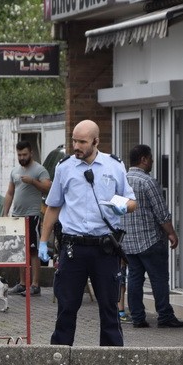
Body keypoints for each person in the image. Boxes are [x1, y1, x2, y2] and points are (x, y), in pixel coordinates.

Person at [38, 120, 137, 346]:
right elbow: (53, 206)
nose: (76, 146)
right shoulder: (64, 168)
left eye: (82, 141)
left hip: (104, 248)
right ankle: (60, 358)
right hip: (74, 248)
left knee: (109, 308)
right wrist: (43, 241)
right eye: (74, 140)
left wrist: (123, 205)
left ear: (96, 141)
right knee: (66, 306)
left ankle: (112, 360)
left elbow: (132, 202)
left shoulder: (114, 166)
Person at [123, 145, 183, 329]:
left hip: (128, 241)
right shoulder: (148, 182)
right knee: (159, 279)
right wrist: (171, 233)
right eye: (150, 158)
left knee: (134, 278)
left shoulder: (122, 180)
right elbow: (161, 213)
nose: (152, 161)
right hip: (150, 240)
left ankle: (137, 317)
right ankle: (165, 316)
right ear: (143, 159)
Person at [1, 140, 51, 296]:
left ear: (31, 153)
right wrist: (5, 213)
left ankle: (35, 285)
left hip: (32, 215)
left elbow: (48, 188)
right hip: (17, 216)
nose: (22, 157)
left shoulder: (39, 170)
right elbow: (10, 193)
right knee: (19, 251)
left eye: (24, 154)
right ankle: (22, 283)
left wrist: (33, 182)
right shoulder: (15, 171)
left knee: (33, 250)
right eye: (19, 155)